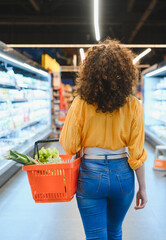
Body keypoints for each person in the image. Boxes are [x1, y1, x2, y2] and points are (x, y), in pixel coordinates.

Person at [59, 38, 148, 240]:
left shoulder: (80, 103)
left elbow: (69, 146)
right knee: (115, 231)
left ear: (90, 73)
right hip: (123, 176)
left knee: (95, 236)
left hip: (90, 174)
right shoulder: (134, 105)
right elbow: (136, 153)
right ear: (125, 73)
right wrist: (142, 187)